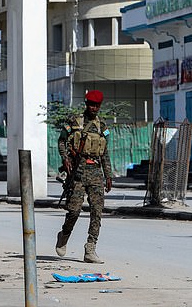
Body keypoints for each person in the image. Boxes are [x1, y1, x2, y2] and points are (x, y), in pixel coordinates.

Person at [55, 90, 112, 263]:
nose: (94, 108)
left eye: (97, 105)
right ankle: (64, 234)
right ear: (86, 104)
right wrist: (65, 159)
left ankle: (90, 248)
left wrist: (108, 175)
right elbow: (62, 141)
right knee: (74, 211)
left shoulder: (103, 127)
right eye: (91, 104)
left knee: (97, 211)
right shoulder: (74, 121)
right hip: (78, 171)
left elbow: (104, 153)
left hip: (95, 172)